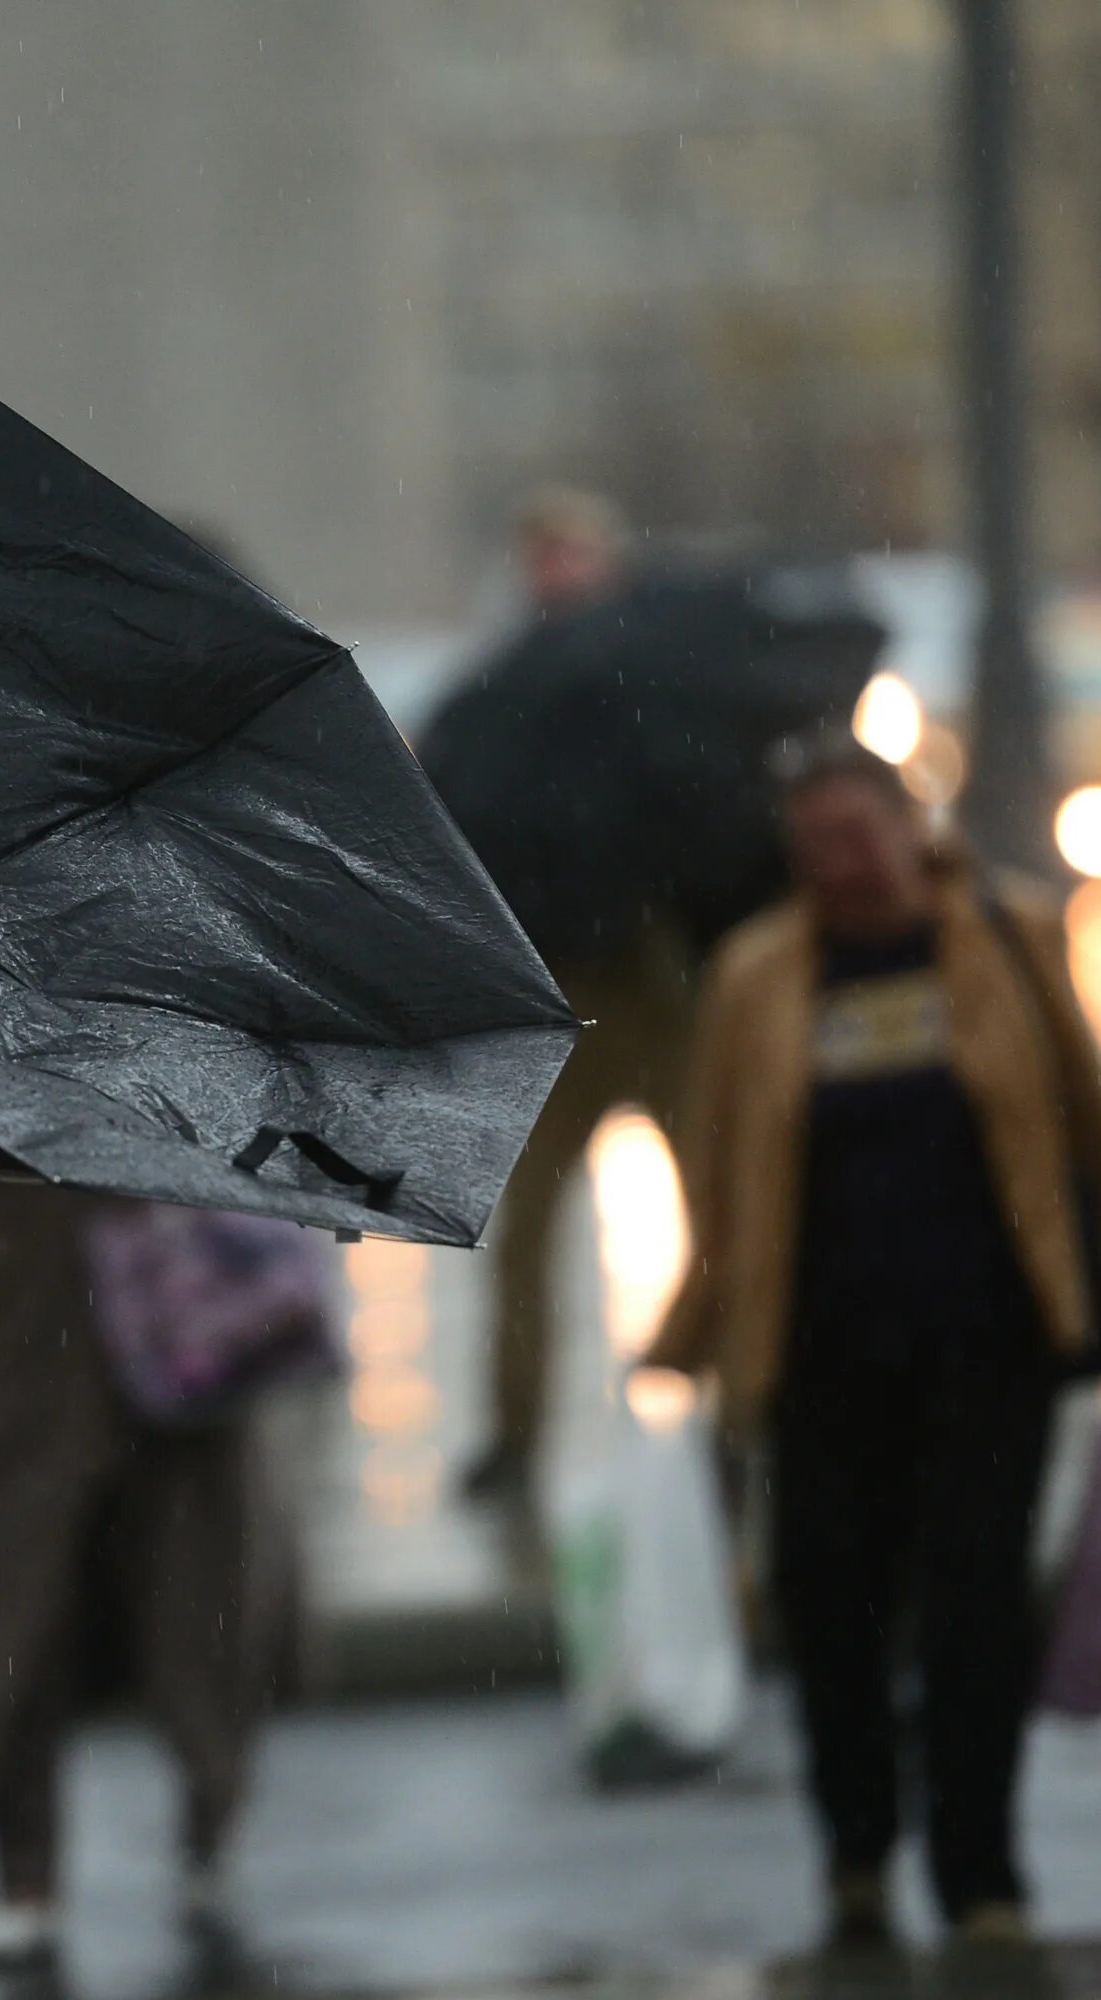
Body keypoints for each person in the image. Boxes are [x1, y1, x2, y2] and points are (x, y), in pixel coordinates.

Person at [645, 730, 1101, 1952]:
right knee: (830, 1612)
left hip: (990, 1343)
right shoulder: (756, 975)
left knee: (979, 1609)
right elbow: (723, 1179)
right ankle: (857, 1854)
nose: (838, 862)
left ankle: (982, 1869)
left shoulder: (1009, 935)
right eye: (811, 843)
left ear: (908, 825)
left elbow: (1085, 1125)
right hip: (820, 1354)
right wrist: (683, 1337)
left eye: (857, 832)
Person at [0, 1126, 295, 1976]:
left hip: (170, 1303)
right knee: (15, 1603)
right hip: (27, 1314)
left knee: (195, 1587)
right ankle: (28, 1875)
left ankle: (198, 1838)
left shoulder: (195, 1016)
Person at [425, 487, 687, 1510]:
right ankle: (515, 1433)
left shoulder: (660, 686)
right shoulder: (499, 703)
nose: (561, 578)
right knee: (525, 1236)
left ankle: (729, 1397)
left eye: (576, 556)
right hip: (550, 996)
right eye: (547, 559)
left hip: (656, 981)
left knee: (723, 1209)